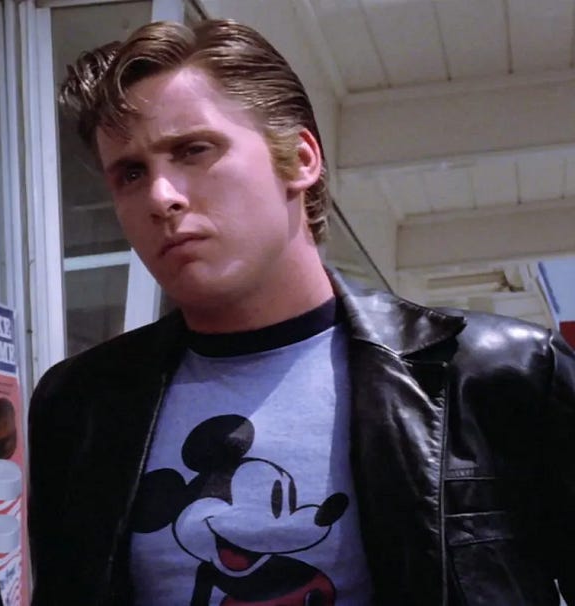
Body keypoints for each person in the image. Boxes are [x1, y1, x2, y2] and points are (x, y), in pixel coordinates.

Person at [30, 18, 574, 605]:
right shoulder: (81, 405)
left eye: (193, 150)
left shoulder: (498, 375)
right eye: (131, 173)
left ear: (300, 157)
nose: (161, 197)